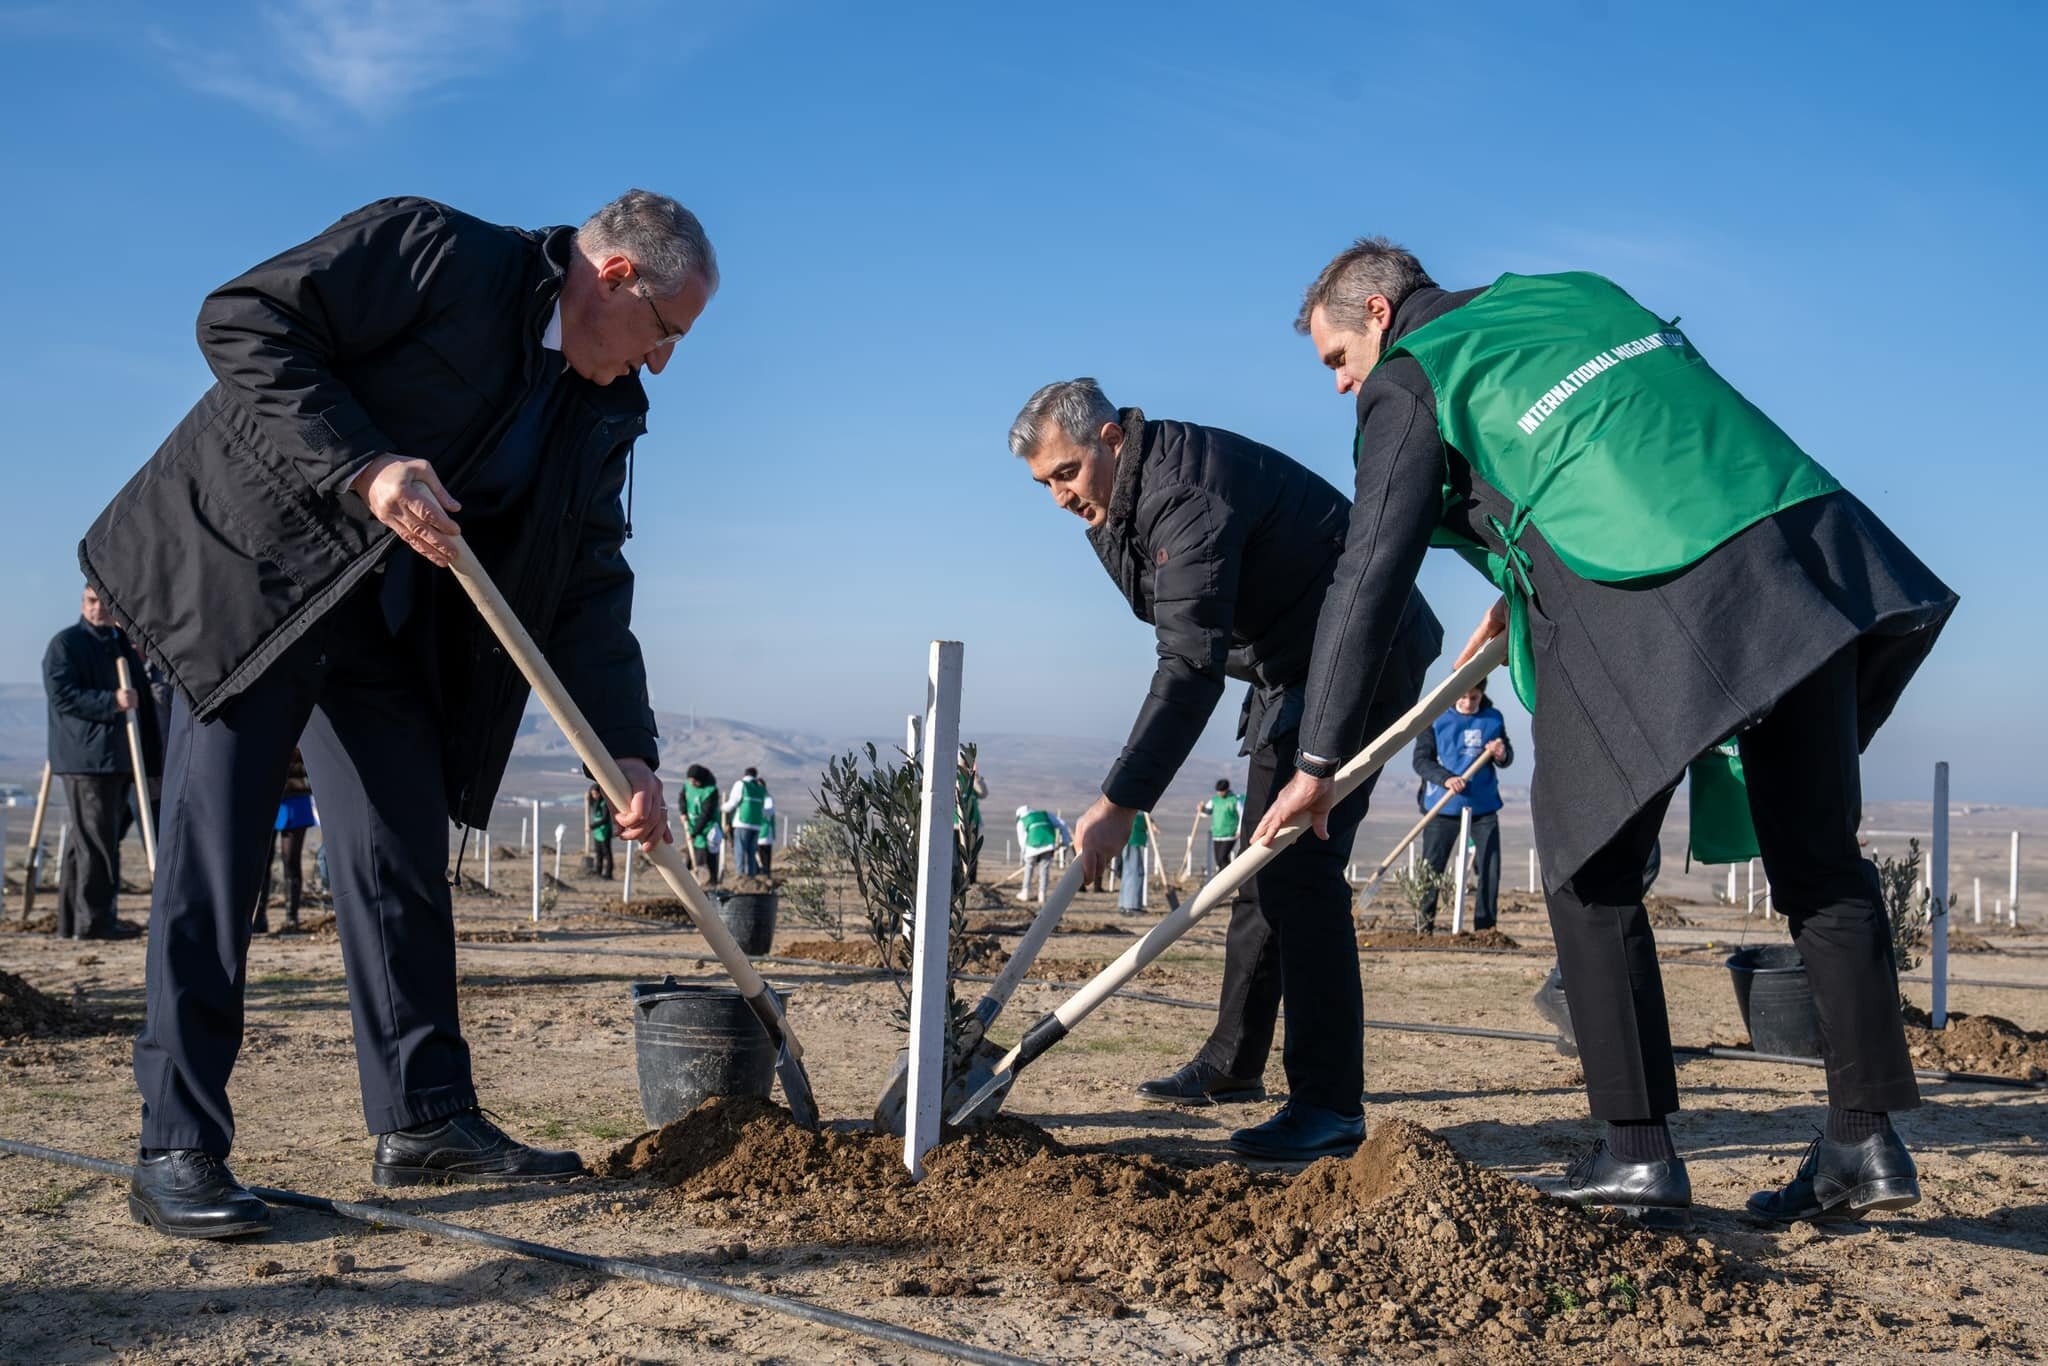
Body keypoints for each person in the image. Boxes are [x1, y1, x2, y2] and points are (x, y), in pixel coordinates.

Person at [1257, 239, 1955, 1222]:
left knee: (1585, 867)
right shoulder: (1570, 297)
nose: (1339, 386)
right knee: (1816, 858)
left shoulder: (1416, 370)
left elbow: (1368, 567)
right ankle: (1860, 1138)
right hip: (1797, 544)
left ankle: (1633, 1150)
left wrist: (1316, 758)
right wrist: (1514, 574)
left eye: (1335, 359)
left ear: (1377, 313)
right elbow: (1613, 441)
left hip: (1661, 586)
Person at [82, 190, 713, 1240]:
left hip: (376, 618)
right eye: (666, 332)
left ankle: (423, 1118)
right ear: (613, 280)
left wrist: (630, 751)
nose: (662, 364)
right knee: (216, 857)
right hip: (251, 576)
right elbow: (241, 320)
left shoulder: (597, 409)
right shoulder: (438, 251)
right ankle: (177, 1144)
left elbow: (588, 584)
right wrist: (365, 467)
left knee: (397, 846)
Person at [1007, 378, 1440, 1160]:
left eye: (1065, 473)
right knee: (1257, 865)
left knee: (1300, 871)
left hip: (1363, 655)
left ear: (1110, 439)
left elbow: (1188, 665)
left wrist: (1121, 800)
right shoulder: (1122, 504)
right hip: (1294, 666)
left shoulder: (1186, 493)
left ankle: (1329, 1105)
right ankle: (1234, 1060)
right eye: (1045, 485)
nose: (1060, 498)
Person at [43, 584, 159, 940]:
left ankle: (73, 922)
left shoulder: (120, 644)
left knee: (88, 843)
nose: (98, 609)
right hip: (87, 760)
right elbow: (62, 695)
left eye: (105, 603)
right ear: (82, 604)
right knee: (96, 843)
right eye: (92, 602)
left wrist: (154, 763)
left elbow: (146, 709)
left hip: (120, 759)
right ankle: (95, 921)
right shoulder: (66, 645)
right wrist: (112, 701)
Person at [1410, 679, 1512, 931]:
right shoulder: (1435, 718)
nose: (1468, 703)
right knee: (1432, 868)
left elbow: (1506, 756)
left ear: (1482, 695)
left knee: (1489, 868)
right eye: (1463, 697)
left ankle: (1485, 930)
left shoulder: (1493, 718)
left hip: (1483, 809)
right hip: (1442, 808)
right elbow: (1421, 761)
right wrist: (1446, 779)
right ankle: (1424, 927)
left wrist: (1501, 753)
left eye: (1474, 698)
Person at [254, 749, 317, 935]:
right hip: (266, 796)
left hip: (295, 796)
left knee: (290, 859)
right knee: (263, 861)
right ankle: (259, 917)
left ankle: (291, 917)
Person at [1015, 805, 1071, 903]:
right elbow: (1062, 824)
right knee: (1044, 869)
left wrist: (1025, 854)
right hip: (1048, 845)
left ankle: (1025, 892)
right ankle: (1042, 895)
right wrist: (1066, 840)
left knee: (1029, 868)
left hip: (1032, 847)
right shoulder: (1045, 814)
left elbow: (1022, 840)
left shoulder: (1021, 821)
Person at [724, 767, 770, 877]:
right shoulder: (761, 789)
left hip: (742, 823)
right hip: (756, 825)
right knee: (751, 852)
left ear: (744, 774)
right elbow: (764, 807)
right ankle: (751, 876)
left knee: (740, 849)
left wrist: (722, 808)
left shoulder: (741, 784)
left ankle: (740, 875)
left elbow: (732, 803)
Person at [683, 765, 723, 885]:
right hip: (691, 825)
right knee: (691, 854)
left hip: (707, 828)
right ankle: (690, 883)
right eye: (690, 780)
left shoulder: (711, 791)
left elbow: (706, 814)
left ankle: (709, 883)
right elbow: (682, 798)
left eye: (695, 781)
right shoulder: (688, 785)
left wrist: (694, 832)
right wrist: (683, 812)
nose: (692, 783)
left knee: (705, 855)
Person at [1196, 779, 1244, 874]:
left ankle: (1226, 879)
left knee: (1222, 858)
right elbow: (1207, 812)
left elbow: (1241, 815)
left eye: (1221, 791)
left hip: (1230, 833)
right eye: (1218, 791)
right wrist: (1201, 809)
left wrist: (1239, 830)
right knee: (1219, 860)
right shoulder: (1214, 800)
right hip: (1217, 833)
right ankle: (1229, 879)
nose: (1219, 793)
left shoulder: (1235, 800)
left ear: (1227, 789)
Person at [956, 751, 988, 882]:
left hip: (972, 821)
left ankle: (970, 880)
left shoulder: (971, 778)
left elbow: (983, 793)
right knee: (958, 852)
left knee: (972, 853)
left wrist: (975, 776)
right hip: (956, 823)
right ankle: (957, 880)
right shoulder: (955, 776)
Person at [1117, 812, 1152, 913]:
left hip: (1129, 839)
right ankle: (1132, 905)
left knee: (1129, 872)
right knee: (1135, 872)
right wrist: (1147, 822)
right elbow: (1139, 819)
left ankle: (1125, 904)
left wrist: (1150, 822)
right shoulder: (1137, 810)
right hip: (1132, 839)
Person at [587, 783, 614, 881]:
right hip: (597, 833)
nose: (594, 796)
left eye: (596, 794)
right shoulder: (594, 804)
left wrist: (591, 826)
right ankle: (598, 871)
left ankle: (608, 873)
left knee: (607, 853)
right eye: (592, 794)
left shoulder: (604, 804)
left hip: (605, 831)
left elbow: (605, 819)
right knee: (598, 853)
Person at [755, 790, 777, 876]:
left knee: (765, 854)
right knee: (756, 854)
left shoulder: (767, 799)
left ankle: (766, 873)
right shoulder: (758, 796)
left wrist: (757, 809)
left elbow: (769, 812)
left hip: (765, 831)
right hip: (758, 830)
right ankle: (759, 872)